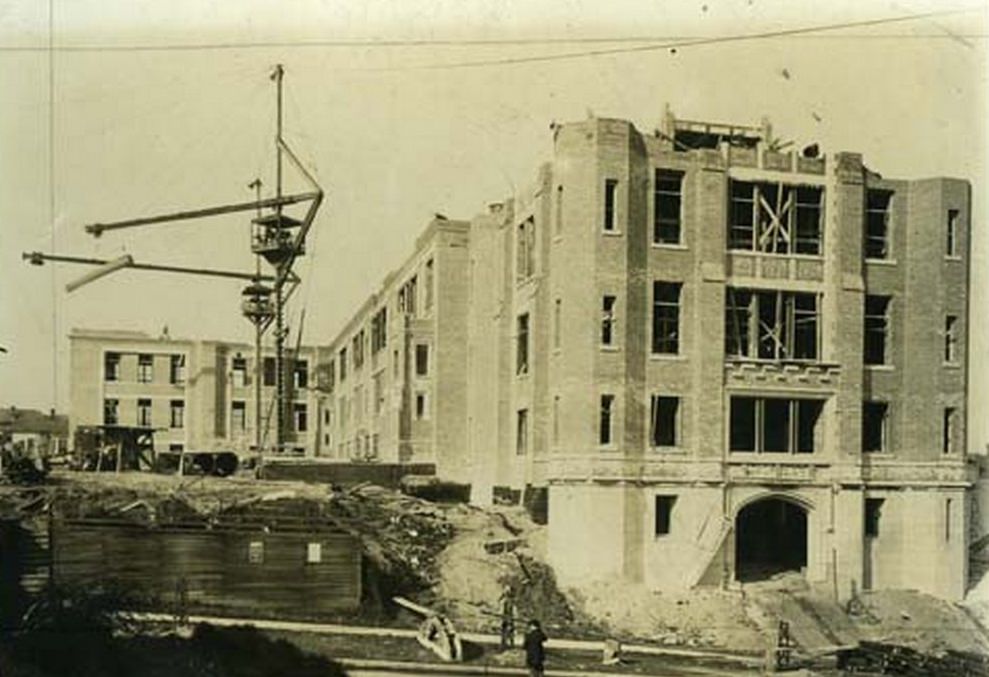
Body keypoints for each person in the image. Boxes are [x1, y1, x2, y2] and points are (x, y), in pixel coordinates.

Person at [499, 584, 516, 649]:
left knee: (510, 630)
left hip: (509, 617)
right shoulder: (505, 600)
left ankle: (510, 644)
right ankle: (504, 644)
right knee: (504, 631)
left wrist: (510, 617)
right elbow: (502, 609)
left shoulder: (510, 601)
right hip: (505, 618)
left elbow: (511, 610)